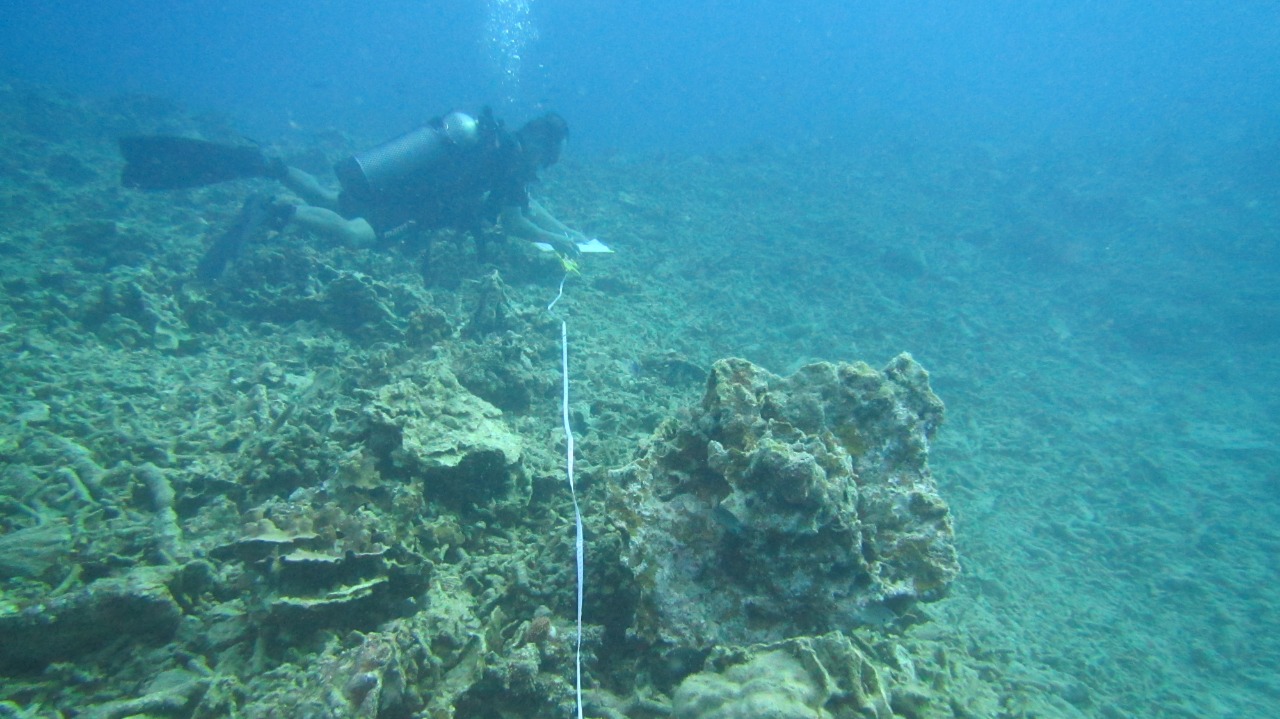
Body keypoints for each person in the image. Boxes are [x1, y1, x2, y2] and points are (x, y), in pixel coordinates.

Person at [120, 108, 588, 278]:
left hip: (399, 183)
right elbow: (513, 220)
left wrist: (564, 229)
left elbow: (527, 202)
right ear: (542, 148)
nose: (545, 165)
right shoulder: (507, 161)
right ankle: (276, 210)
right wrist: (559, 243)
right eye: (549, 157)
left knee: (331, 199)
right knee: (354, 234)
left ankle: (271, 166)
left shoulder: (496, 144)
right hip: (411, 204)